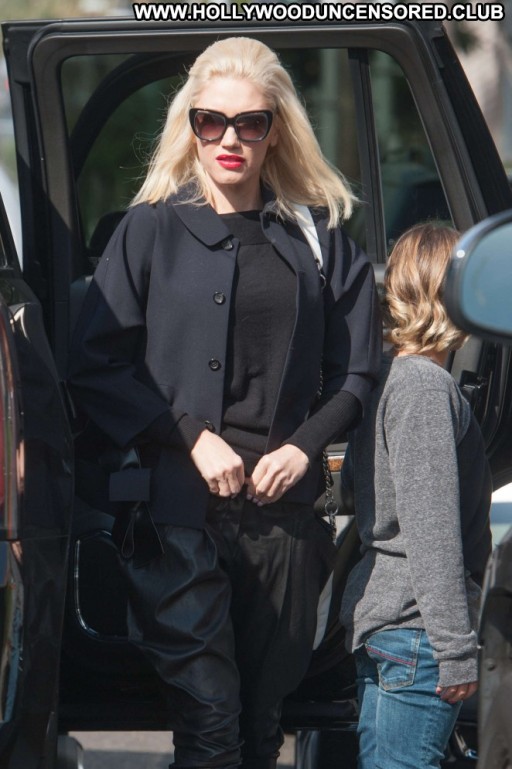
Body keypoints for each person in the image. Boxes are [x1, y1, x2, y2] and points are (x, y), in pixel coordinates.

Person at [68, 36, 381, 769]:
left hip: (283, 522)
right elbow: (95, 365)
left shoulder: (318, 239)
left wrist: (304, 445)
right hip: (179, 520)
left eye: (250, 122)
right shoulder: (149, 229)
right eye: (212, 121)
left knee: (260, 728)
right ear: (192, 126)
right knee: (211, 728)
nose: (230, 139)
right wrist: (187, 434)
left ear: (276, 130)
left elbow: (358, 373)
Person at [340, 222, 492, 769]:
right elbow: (430, 533)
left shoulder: (386, 377)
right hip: (416, 633)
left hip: (389, 625)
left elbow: (361, 494)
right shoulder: (426, 389)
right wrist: (455, 649)